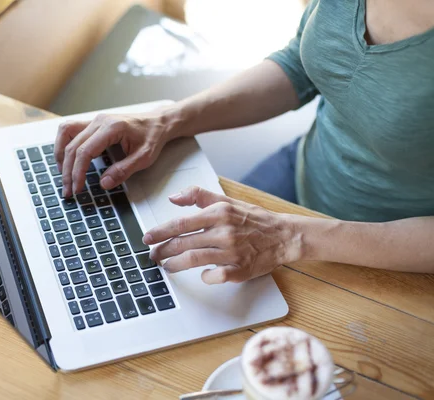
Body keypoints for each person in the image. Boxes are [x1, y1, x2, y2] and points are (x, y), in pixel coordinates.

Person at [54, 0, 434, 284]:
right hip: (301, 175)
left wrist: (291, 236)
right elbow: (302, 64)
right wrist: (168, 119)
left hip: (394, 251)